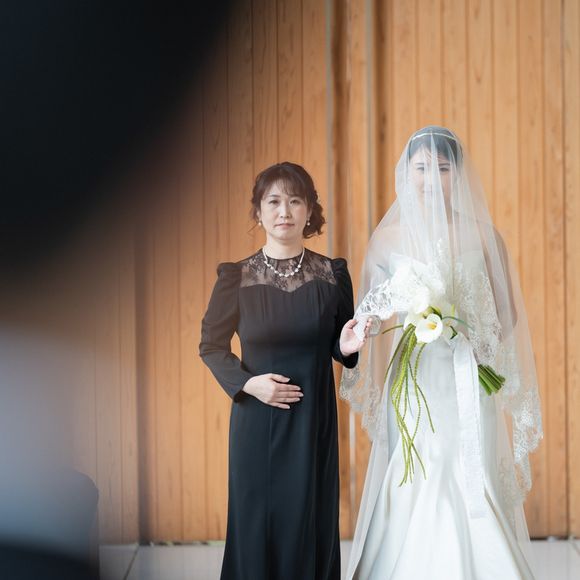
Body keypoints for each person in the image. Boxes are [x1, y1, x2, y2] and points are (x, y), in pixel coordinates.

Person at [340, 126, 543, 579]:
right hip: (413, 379)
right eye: (421, 168)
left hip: (467, 375)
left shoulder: (483, 235)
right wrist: (379, 327)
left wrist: (471, 339)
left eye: (443, 168)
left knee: (469, 467)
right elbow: (372, 314)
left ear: (459, 174)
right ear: (406, 173)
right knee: (417, 469)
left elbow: (506, 312)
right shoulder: (386, 240)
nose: (431, 178)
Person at [200, 161, 370, 580]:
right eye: (273, 201)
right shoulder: (236, 277)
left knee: (310, 520)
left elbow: (339, 345)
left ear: (309, 210)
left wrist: (346, 347)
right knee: (257, 524)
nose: (284, 211)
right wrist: (249, 384)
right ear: (258, 211)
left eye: (295, 201)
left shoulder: (333, 275)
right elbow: (211, 346)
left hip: (314, 423)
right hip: (257, 422)